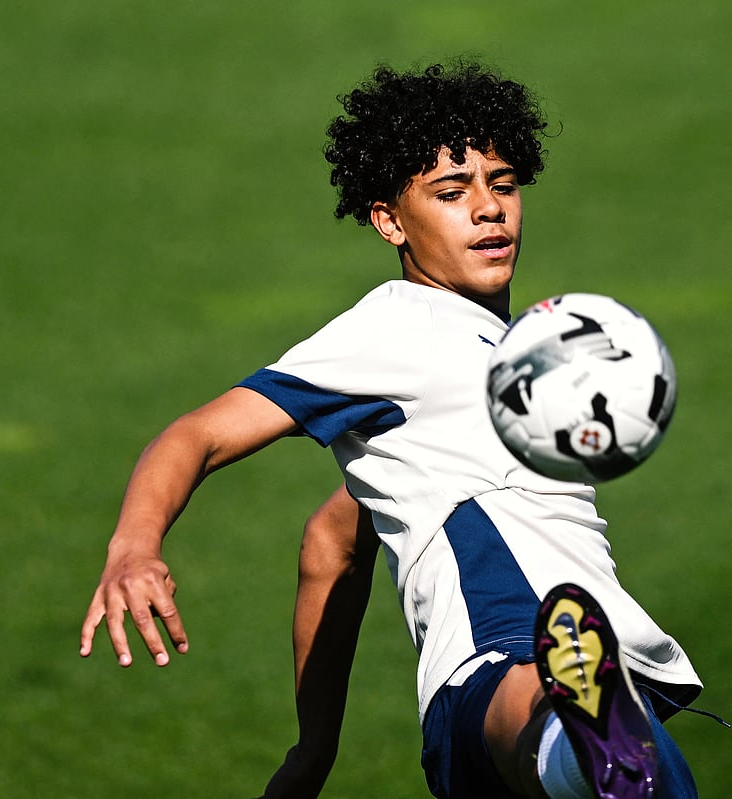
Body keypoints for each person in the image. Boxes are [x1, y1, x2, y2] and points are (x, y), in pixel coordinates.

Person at [79, 61, 706, 798]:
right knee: (536, 695)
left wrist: (314, 746)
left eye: (502, 184)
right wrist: (133, 546)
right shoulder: (397, 325)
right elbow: (200, 433)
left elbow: (332, 543)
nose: (488, 209)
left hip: (550, 704)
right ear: (389, 219)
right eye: (451, 192)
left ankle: (583, 736)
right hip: (501, 665)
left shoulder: (494, 374)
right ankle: (570, 726)